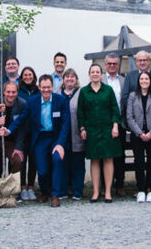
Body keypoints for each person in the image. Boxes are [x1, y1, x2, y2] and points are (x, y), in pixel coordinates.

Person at [3, 74, 70, 206]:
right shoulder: (32, 102)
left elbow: (65, 124)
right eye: (43, 87)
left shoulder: (61, 101)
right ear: (39, 87)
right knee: (43, 170)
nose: (46, 90)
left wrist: (61, 143)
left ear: (52, 87)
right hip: (40, 138)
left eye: (48, 87)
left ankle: (55, 195)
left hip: (56, 138)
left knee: (57, 160)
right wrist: (9, 130)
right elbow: (21, 118)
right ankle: (45, 192)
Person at [77, 63, 122, 202]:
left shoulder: (108, 90)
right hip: (92, 130)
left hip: (107, 130)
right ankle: (96, 192)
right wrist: (82, 128)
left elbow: (115, 109)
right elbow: (80, 112)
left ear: (101, 74)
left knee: (109, 159)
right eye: (93, 71)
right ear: (89, 74)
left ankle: (108, 192)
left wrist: (115, 126)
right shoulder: (84, 91)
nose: (95, 74)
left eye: (97, 71)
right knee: (94, 160)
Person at [126, 71, 151, 203]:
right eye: (141, 79)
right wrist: (139, 133)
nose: (144, 81)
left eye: (146, 79)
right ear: (138, 81)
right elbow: (129, 117)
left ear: (150, 81)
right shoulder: (132, 96)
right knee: (139, 162)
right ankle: (141, 189)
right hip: (137, 135)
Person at [101, 53, 125, 194]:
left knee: (119, 154)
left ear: (118, 65)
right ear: (105, 65)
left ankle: (120, 184)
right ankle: (105, 186)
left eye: (114, 63)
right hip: (104, 123)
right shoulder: (100, 79)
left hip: (120, 122)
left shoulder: (123, 80)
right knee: (105, 154)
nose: (112, 66)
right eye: (109, 63)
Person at [60, 69, 85, 200]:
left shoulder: (81, 93)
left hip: (77, 134)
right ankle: (63, 190)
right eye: (67, 77)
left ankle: (77, 191)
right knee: (62, 164)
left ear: (76, 79)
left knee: (78, 164)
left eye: (72, 77)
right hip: (62, 136)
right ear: (63, 79)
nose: (69, 79)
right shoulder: (57, 93)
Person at [17, 66, 40, 199]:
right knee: (21, 160)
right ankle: (21, 187)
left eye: (29, 75)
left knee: (34, 160)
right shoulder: (18, 90)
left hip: (35, 130)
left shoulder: (38, 90)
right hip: (22, 131)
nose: (27, 77)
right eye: (25, 75)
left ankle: (30, 186)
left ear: (33, 76)